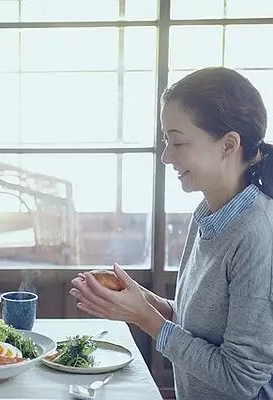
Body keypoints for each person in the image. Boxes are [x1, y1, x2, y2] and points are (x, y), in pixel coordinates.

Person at [70, 67, 273, 400]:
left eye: (177, 141)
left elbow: (240, 380)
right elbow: (201, 325)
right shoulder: (207, 213)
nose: (166, 156)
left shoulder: (258, 234)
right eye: (166, 140)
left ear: (229, 144)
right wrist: (141, 298)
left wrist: (145, 318)